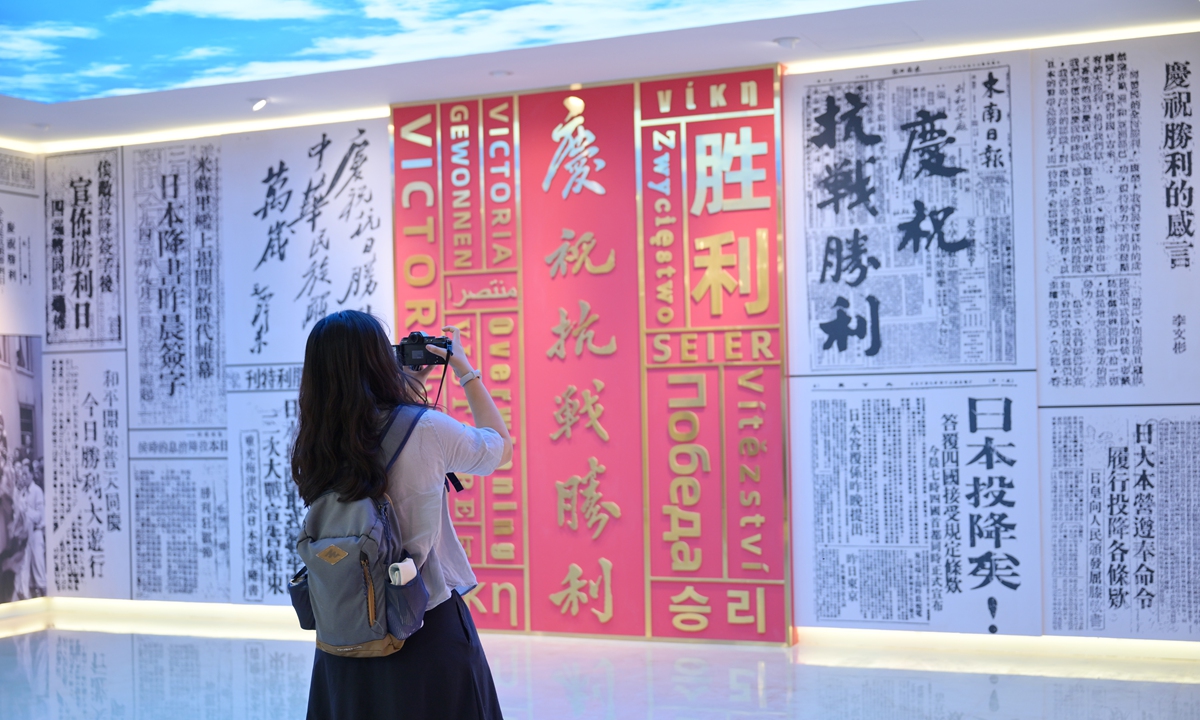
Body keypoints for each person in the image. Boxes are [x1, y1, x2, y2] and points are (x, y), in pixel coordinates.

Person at [292, 310, 512, 720]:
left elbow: (372, 437)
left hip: (345, 631)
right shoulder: (427, 428)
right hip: (424, 625)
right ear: (380, 359)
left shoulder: (315, 441)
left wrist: (406, 389)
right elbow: (499, 447)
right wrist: (464, 370)